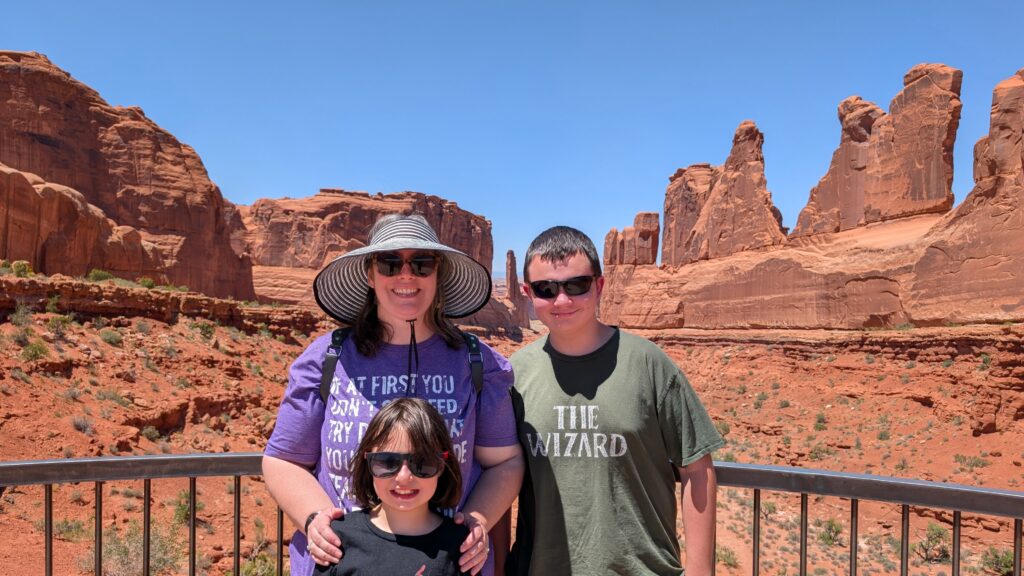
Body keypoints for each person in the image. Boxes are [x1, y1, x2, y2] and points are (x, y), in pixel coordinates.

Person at [263, 213, 524, 576]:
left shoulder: (477, 362)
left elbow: (504, 461)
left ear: (438, 274)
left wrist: (478, 519)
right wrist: (313, 519)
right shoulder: (327, 358)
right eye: (389, 263)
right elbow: (283, 459)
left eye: (422, 263)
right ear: (370, 275)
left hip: (447, 565)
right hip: (341, 566)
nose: (406, 275)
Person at [506, 226, 725, 575]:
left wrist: (701, 571)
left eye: (577, 285)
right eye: (546, 289)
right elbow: (499, 474)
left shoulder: (649, 364)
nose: (562, 301)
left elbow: (697, 469)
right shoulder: (514, 374)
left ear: (600, 285)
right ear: (527, 293)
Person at [313, 398, 470, 576]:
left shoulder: (461, 546)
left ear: (442, 466)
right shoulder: (337, 540)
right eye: (387, 462)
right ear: (368, 463)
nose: (404, 477)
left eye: (422, 462)